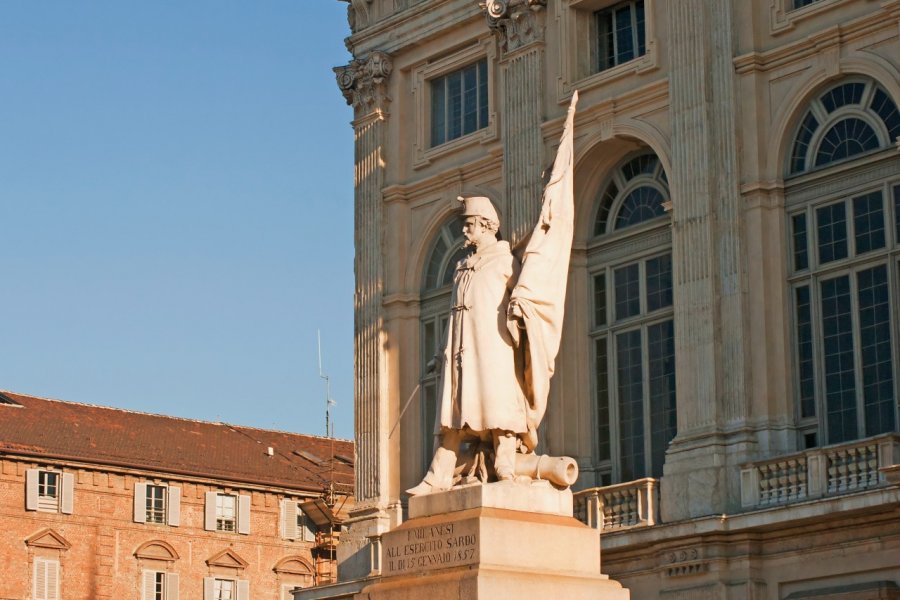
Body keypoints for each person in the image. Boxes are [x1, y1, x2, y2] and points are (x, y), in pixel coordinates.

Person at [406, 196, 527, 496]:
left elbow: (527, 297)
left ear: (487, 225)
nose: (464, 230)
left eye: (469, 224)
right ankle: (438, 475)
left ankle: (505, 466)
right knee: (453, 416)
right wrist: (439, 353)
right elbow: (453, 313)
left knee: (498, 407)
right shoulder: (461, 266)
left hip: (493, 348)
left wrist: (521, 314)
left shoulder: (504, 262)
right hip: (460, 351)